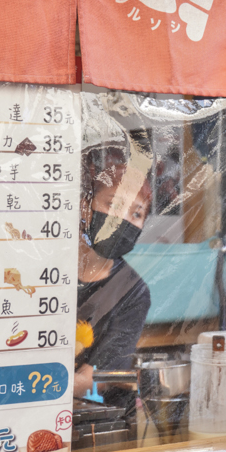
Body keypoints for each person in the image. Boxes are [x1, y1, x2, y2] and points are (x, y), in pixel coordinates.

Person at [73, 146, 152, 399]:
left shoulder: (134, 291)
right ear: (86, 207)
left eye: (136, 213)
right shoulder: (48, 273)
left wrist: (30, 385)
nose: (123, 219)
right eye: (114, 204)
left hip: (92, 416)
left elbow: (96, 378)